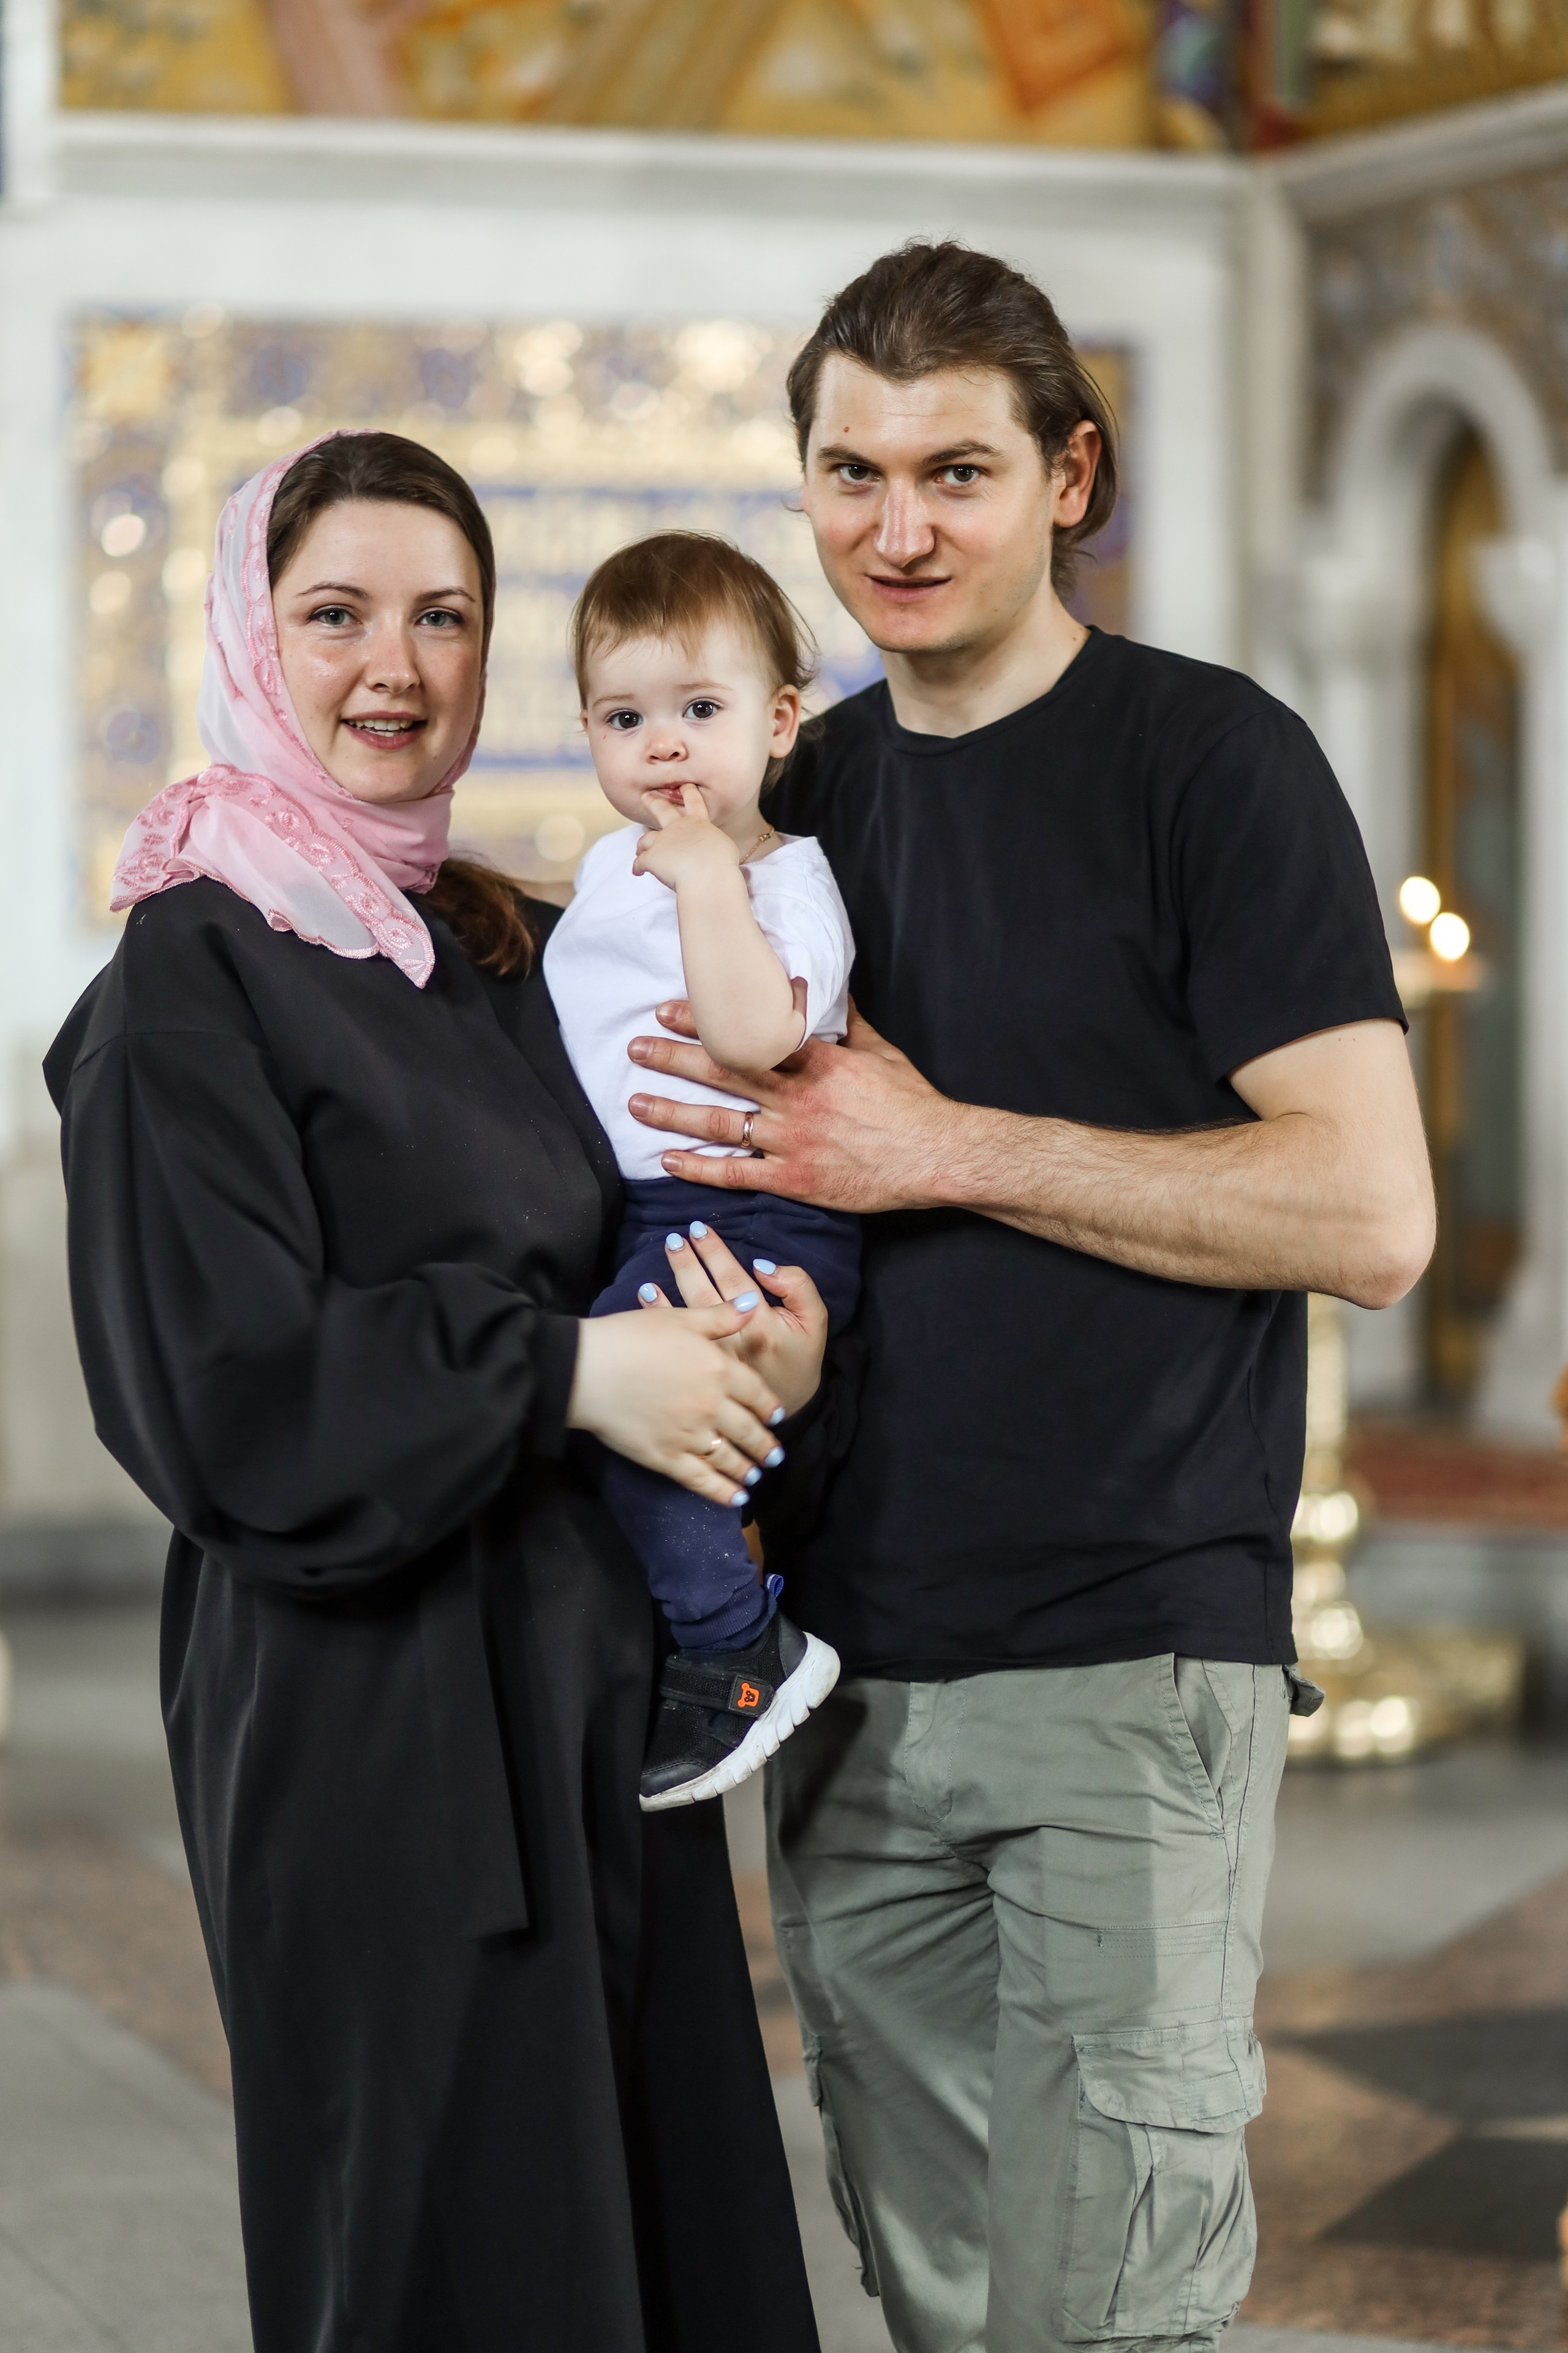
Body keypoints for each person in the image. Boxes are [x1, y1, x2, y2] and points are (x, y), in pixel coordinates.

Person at [621, 243, 1438, 2353]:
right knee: (942, 2290)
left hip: (1128, 1660)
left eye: (958, 471)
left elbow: (1371, 1213)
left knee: (1110, 2309)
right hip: (846, 1675)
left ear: (1071, 476)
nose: (899, 527)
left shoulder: (1211, 765)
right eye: (852, 471)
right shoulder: (796, 801)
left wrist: (949, 1144)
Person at [45, 431, 826, 2353]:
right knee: (458, 2253)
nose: (392, 665)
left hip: (591, 1715)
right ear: (249, 633)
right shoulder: (188, 982)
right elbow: (223, 1386)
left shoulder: (502, 950)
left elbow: (672, 1202)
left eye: (444, 618)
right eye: (336, 614)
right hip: (371, 1729)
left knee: (658, 2230)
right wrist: (566, 1371)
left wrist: (763, 1343)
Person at [545, 532, 858, 1811]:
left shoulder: (783, 877)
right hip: (656, 1208)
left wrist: (708, 885)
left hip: (756, 1207)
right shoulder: (607, 870)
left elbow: (754, 1036)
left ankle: (736, 1642)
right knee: (618, 1422)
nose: (663, 745)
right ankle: (706, 1630)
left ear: (778, 723)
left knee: (637, 1414)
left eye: (699, 710)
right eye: (626, 716)